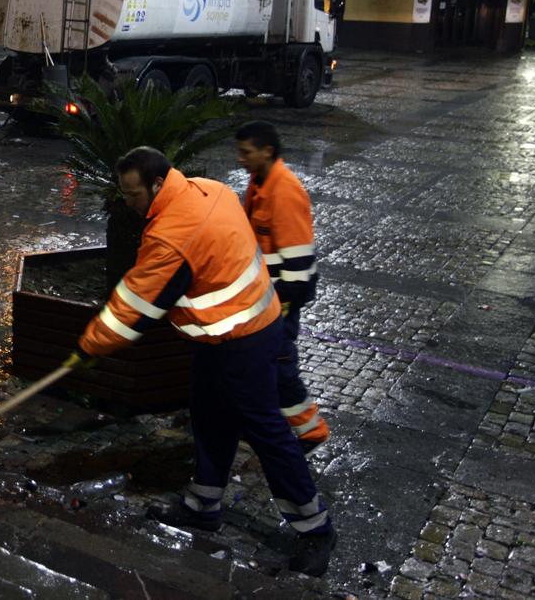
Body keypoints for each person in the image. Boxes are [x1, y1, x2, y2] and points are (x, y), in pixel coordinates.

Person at [67, 146, 336, 577]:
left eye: (134, 195)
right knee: (210, 415)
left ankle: (316, 527)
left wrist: (88, 347)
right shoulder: (209, 190)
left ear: (157, 184)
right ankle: (203, 503)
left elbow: (134, 305)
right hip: (231, 333)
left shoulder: (171, 233)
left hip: (244, 341)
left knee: (268, 432)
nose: (130, 204)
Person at [236, 121, 329, 453]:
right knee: (262, 363)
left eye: (247, 152)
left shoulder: (283, 191)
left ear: (267, 151)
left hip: (284, 294)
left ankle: (311, 430)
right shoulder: (260, 182)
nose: (241, 159)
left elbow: (297, 259)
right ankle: (265, 422)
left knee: (277, 363)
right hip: (269, 292)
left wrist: (283, 304)